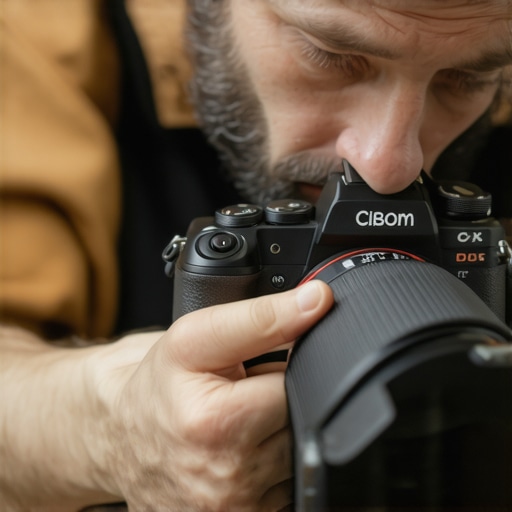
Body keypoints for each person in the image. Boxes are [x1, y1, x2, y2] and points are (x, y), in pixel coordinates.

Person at [0, 0, 510, 511]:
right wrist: (111, 432)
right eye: (330, 53)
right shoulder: (43, 34)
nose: (390, 164)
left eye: (467, 77)